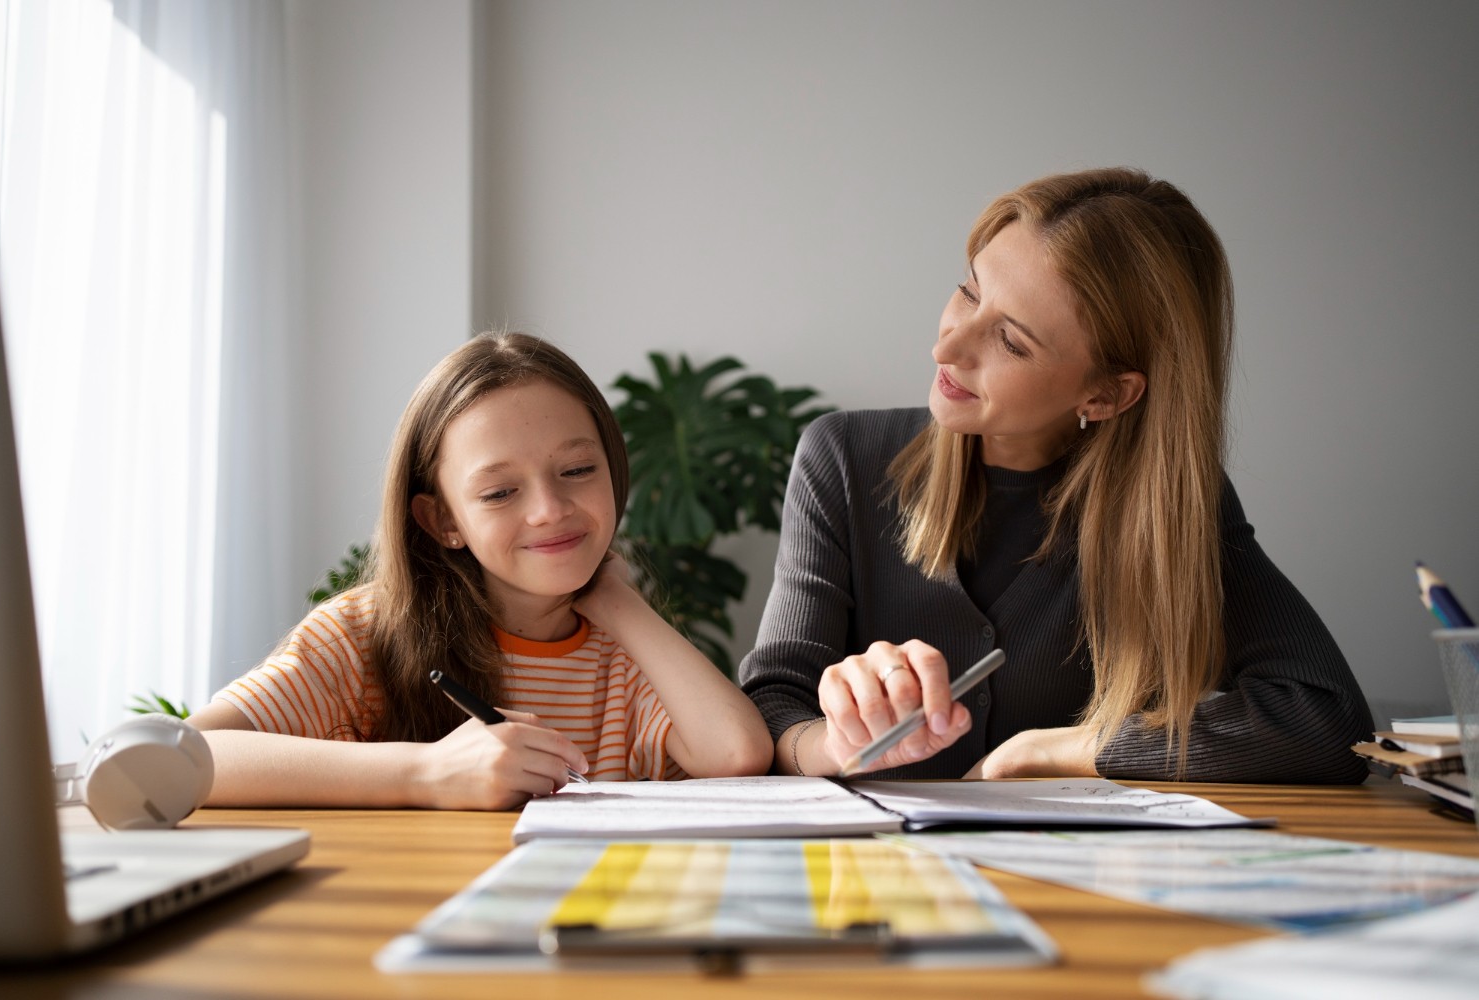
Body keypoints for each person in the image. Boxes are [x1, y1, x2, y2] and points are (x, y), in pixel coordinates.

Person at [741, 167, 1372, 784]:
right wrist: (840, 743)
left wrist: (1058, 750)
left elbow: (1326, 720)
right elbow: (772, 708)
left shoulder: (1169, 507)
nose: (948, 348)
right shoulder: (843, 457)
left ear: (1106, 395)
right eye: (969, 291)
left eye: (1012, 341)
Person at [189, 332, 773, 809]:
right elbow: (182, 753)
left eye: (577, 470)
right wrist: (423, 772)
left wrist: (618, 601)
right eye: (499, 492)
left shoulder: (628, 653)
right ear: (443, 519)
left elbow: (737, 754)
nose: (549, 510)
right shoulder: (361, 635)